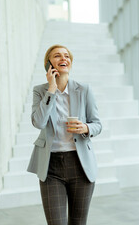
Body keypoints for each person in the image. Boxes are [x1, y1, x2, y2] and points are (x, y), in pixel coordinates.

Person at [27, 44, 102, 225]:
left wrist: (85, 128)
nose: (63, 59)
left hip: (80, 165)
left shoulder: (84, 90)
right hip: (51, 167)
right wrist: (51, 90)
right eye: (57, 56)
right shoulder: (40, 91)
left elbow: (97, 125)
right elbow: (38, 122)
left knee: (78, 222)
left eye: (66, 56)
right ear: (48, 64)